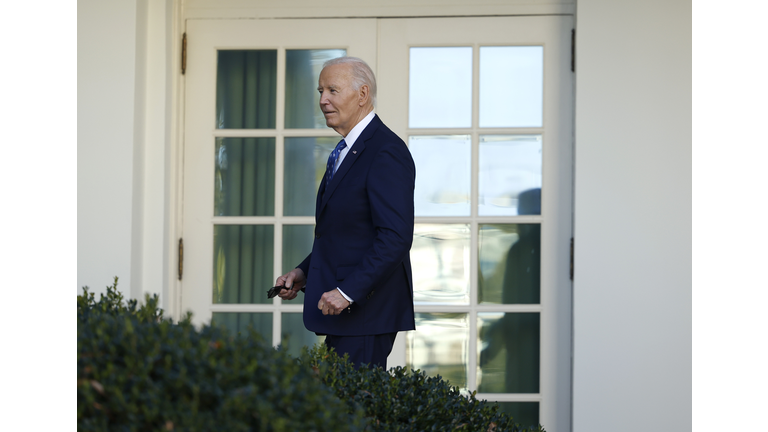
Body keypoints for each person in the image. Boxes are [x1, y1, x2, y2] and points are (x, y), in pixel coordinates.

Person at [275, 57, 416, 369]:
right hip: (348, 313)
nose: (323, 99)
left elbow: (395, 237)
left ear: (362, 95)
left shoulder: (385, 151)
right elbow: (345, 234)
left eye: (333, 90)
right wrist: (303, 273)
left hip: (366, 312)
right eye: (320, 90)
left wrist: (346, 292)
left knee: (353, 413)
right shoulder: (345, 150)